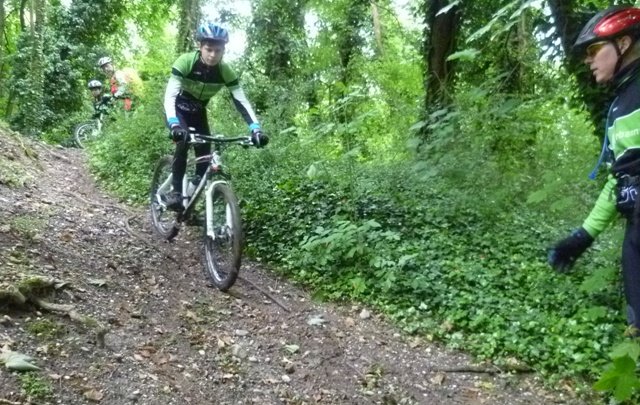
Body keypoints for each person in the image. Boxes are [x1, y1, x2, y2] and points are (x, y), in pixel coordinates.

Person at [548, 5, 640, 335]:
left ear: (624, 44)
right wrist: (582, 236)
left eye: (593, 50)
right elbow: (621, 177)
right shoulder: (619, 105)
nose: (588, 60)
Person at [161, 22, 268, 210]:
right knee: (183, 142)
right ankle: (176, 192)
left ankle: (189, 202)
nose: (212, 55)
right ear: (200, 47)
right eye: (208, 49)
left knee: (205, 160)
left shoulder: (225, 71)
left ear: (223, 51)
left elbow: (241, 100)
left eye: (218, 51)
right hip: (178, 111)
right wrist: (174, 124)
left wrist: (256, 129)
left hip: (199, 113)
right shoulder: (186, 62)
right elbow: (170, 95)